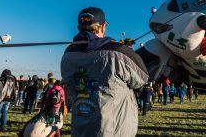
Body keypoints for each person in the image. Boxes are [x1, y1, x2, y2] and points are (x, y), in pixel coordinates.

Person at [61, 7, 149, 137]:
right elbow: (142, 78)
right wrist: (127, 49)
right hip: (113, 129)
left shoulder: (68, 54)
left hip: (81, 128)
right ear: (102, 27)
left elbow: (68, 78)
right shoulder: (118, 52)